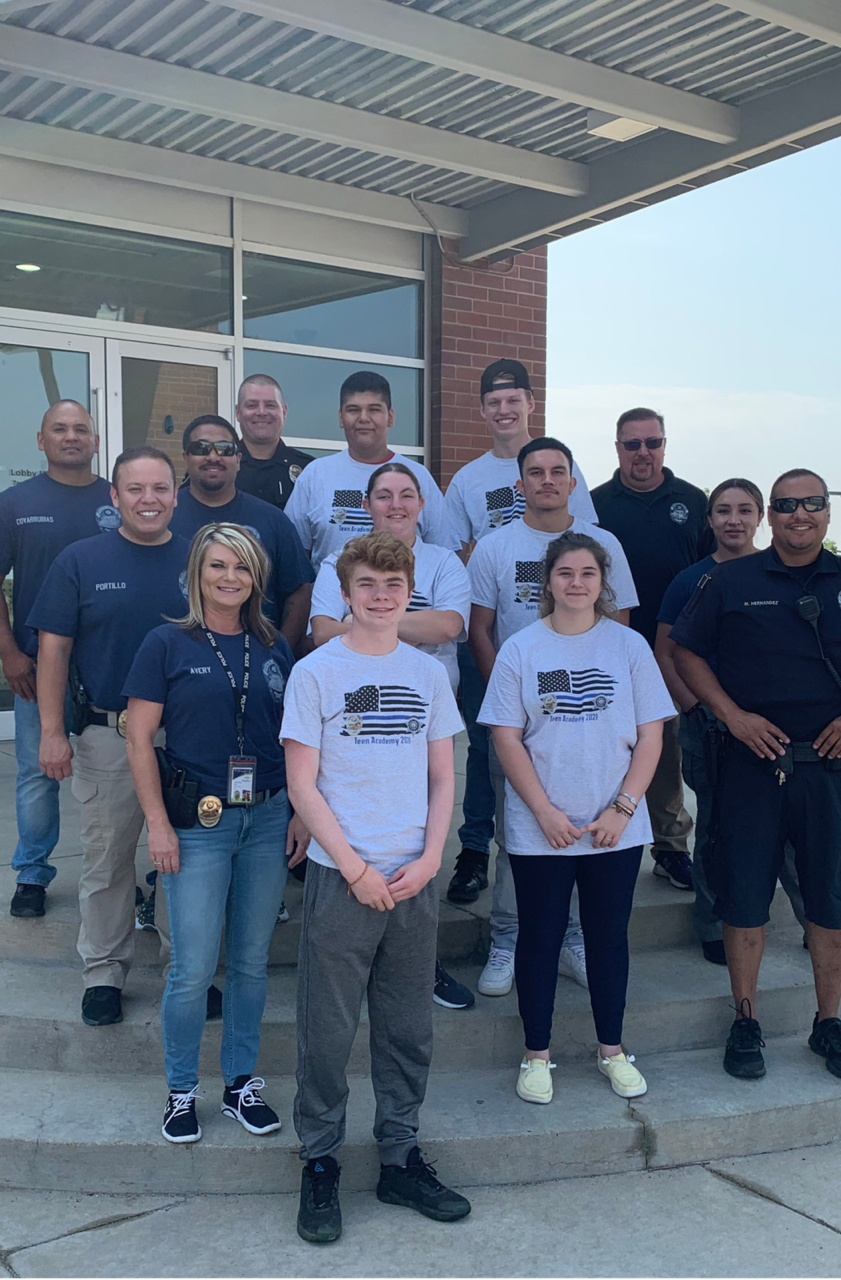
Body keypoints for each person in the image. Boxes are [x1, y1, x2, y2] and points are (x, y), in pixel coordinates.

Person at [670, 470, 841, 1083]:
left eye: (811, 504)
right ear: (772, 516)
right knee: (743, 898)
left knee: (832, 901)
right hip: (749, 768)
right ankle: (745, 1019)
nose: (799, 514)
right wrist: (731, 716)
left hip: (832, 770)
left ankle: (828, 1022)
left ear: (827, 513)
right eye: (786, 505)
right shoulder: (730, 581)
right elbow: (684, 651)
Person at [281, 530, 471, 1245]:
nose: (382, 596)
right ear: (346, 592)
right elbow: (302, 783)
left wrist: (431, 859)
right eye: (367, 585)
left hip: (412, 876)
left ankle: (399, 1156)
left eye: (394, 586)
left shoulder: (427, 674)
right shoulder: (317, 673)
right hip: (343, 879)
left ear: (409, 592)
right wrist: (354, 868)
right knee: (327, 1031)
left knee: (407, 1027)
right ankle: (320, 1160)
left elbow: (444, 776)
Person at [123, 523, 307, 1144]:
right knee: (193, 967)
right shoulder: (165, 643)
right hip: (197, 823)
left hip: (268, 818)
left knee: (251, 963)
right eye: (218, 566)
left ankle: (239, 1085)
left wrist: (301, 811)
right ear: (197, 574)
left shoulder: (274, 645)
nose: (231, 578)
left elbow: (295, 738)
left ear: (257, 578)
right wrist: (157, 825)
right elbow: (139, 739)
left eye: (243, 567)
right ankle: (181, 1091)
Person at [656, 479, 841, 969]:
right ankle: (716, 924)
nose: (734, 520)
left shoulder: (790, 574)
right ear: (709, 520)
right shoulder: (693, 580)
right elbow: (670, 652)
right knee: (719, 832)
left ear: (761, 517)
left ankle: (823, 926)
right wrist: (701, 712)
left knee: (801, 841)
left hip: (791, 742)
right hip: (719, 730)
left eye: (745, 510)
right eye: (723, 511)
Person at [481, 532, 673, 1105]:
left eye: (588, 573)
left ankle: (612, 1050)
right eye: (565, 573)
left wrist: (623, 808)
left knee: (608, 939)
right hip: (541, 827)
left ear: (602, 582)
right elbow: (506, 738)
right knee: (539, 939)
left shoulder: (629, 646)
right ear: (548, 581)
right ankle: (536, 1055)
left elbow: (651, 735)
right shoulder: (521, 649)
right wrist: (543, 811)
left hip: (615, 827)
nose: (576, 583)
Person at [467, 437, 638, 999]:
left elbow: (621, 630)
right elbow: (480, 630)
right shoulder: (494, 547)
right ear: (519, 485)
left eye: (557, 471)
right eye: (535, 472)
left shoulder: (604, 543)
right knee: (517, 832)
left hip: (591, 721)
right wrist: (508, 706)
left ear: (572, 482)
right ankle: (507, 938)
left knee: (586, 829)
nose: (546, 480)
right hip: (521, 725)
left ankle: (573, 939)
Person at [27, 446, 190, 1028]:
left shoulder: (201, 559)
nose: (149, 499)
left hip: (187, 739)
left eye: (160, 488)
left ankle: (185, 972)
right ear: (115, 497)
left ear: (176, 495)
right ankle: (103, 973)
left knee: (186, 862)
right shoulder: (80, 560)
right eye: (135, 489)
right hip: (108, 736)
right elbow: (53, 651)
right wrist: (52, 731)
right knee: (108, 859)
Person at [309, 462, 476, 1012]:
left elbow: (450, 626)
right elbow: (321, 632)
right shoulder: (337, 561)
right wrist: (395, 622)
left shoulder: (444, 562)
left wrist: (368, 622)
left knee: (419, 844)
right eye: (384, 495)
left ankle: (423, 965)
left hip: (422, 720)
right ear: (367, 504)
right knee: (358, 831)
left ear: (422, 504)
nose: (396, 505)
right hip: (353, 717)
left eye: (407, 495)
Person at [442, 358, 597, 907]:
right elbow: (456, 552)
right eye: (494, 401)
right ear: (483, 410)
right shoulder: (468, 479)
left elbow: (590, 547)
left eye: (514, 399)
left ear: (531, 403)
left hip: (568, 650)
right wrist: (497, 670)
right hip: (494, 645)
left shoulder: (562, 466)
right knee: (486, 751)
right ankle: (473, 851)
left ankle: (564, 841)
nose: (504, 410)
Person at [0, 399, 118, 918]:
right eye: (59, 429)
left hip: (111, 667)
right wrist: (8, 652)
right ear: (41, 440)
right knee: (37, 772)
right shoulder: (13, 504)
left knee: (120, 772)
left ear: (95, 441)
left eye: (80, 429)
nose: (71, 436)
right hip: (37, 666)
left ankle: (118, 872)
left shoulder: (118, 500)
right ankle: (31, 872)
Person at [589, 407, 712, 893]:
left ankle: (671, 848)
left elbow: (712, 571)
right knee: (603, 745)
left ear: (664, 445)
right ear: (618, 448)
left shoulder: (694, 501)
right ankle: (594, 840)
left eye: (652, 442)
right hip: (604, 646)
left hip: (671, 651)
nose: (643, 453)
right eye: (632, 444)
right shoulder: (595, 504)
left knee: (665, 750)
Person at [171, 413, 315, 651]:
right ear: (186, 457)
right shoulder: (165, 515)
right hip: (176, 657)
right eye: (201, 448)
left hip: (254, 660)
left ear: (238, 460)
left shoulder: (272, 520)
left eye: (225, 449)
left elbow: (299, 591)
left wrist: (280, 653)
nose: (213, 456)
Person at [284, 370, 453, 570]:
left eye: (374, 409)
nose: (363, 418)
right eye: (353, 409)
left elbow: (445, 554)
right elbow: (293, 557)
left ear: (390, 417)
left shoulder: (418, 476)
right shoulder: (315, 475)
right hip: (331, 590)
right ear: (340, 418)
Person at [234, 373, 314, 510]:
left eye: (270, 405)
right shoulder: (222, 466)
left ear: (284, 411)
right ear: (238, 412)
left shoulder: (309, 470)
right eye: (252, 405)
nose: (261, 412)